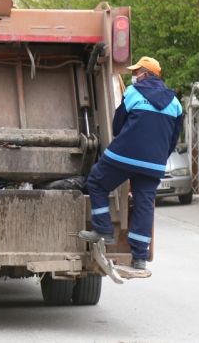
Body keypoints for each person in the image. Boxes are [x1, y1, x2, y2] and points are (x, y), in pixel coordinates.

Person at [78, 56, 182, 270]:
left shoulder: (133, 93)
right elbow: (173, 139)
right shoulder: (175, 103)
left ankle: (104, 229)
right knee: (145, 205)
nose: (134, 76)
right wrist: (157, 158)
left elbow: (117, 125)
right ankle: (140, 258)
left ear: (145, 74)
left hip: (124, 155)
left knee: (97, 181)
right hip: (154, 163)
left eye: (136, 73)